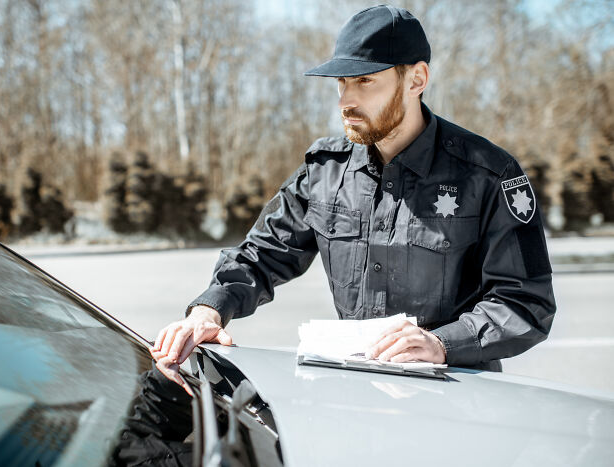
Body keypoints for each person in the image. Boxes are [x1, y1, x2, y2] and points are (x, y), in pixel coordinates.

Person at [150, 4, 556, 391]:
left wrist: (443, 344)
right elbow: (260, 255)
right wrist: (208, 311)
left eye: (365, 81)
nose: (346, 101)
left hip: (457, 401)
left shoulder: (488, 174)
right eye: (342, 83)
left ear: (416, 80)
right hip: (353, 399)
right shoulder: (325, 171)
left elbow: (525, 302)